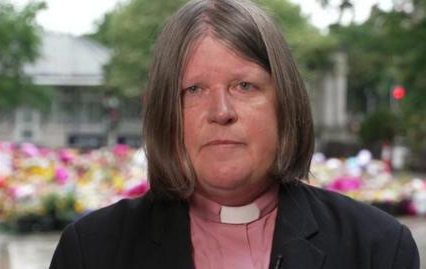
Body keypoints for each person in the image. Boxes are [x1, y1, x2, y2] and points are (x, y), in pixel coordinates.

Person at [50, 0, 420, 268]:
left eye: (244, 86)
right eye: (193, 90)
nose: (221, 112)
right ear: (167, 112)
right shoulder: (92, 251)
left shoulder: (376, 248)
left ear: (284, 103)